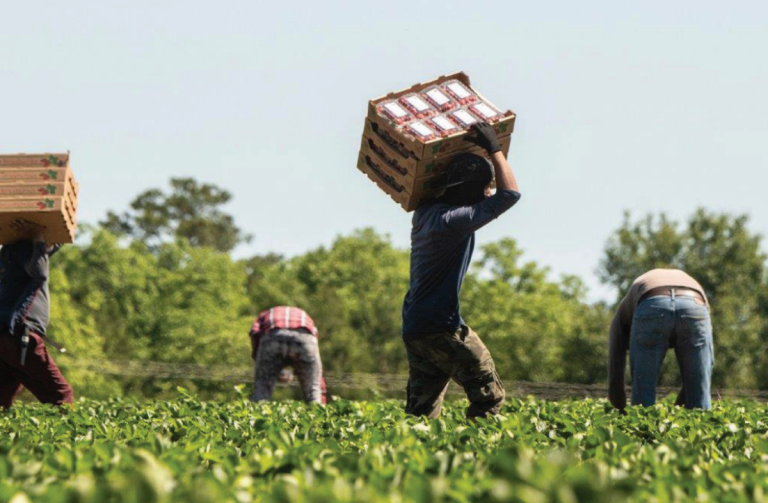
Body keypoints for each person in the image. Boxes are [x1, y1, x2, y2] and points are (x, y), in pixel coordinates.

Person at [401, 122, 521, 419]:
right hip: (443, 326)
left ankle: (411, 460)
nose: (488, 193)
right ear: (471, 191)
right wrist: (494, 147)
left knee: (421, 412)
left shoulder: (425, 213)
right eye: (484, 188)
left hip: (415, 326)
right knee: (489, 396)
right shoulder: (455, 221)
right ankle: (479, 460)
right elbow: (510, 195)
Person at [608, 269, 714, 411]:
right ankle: (702, 427)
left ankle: (643, 428)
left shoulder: (622, 315)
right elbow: (702, 370)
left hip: (651, 303)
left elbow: (615, 363)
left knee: (643, 401)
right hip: (694, 305)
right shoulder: (689, 281)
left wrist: (619, 407)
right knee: (699, 402)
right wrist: (681, 410)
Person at [0, 227, 72, 409]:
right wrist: (39, 240)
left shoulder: (9, 252)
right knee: (62, 394)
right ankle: (67, 436)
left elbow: (35, 261)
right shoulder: (25, 249)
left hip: (5, 338)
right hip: (21, 336)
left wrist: (50, 245)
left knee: (3, 395)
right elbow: (39, 272)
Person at [249, 306, 327, 404]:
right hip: (305, 339)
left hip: (273, 335)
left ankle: (256, 414)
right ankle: (320, 415)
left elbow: (255, 333)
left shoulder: (263, 315)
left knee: (262, 391)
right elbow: (314, 358)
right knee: (313, 391)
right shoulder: (305, 316)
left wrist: (259, 361)